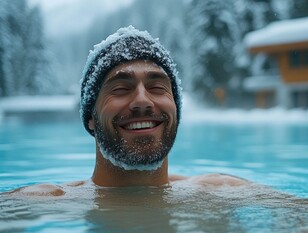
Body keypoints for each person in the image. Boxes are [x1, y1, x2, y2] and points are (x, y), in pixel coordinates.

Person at [9, 26, 248, 196]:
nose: (142, 101)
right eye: (121, 88)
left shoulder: (225, 193)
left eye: (157, 87)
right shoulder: (42, 202)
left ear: (176, 108)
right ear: (90, 117)